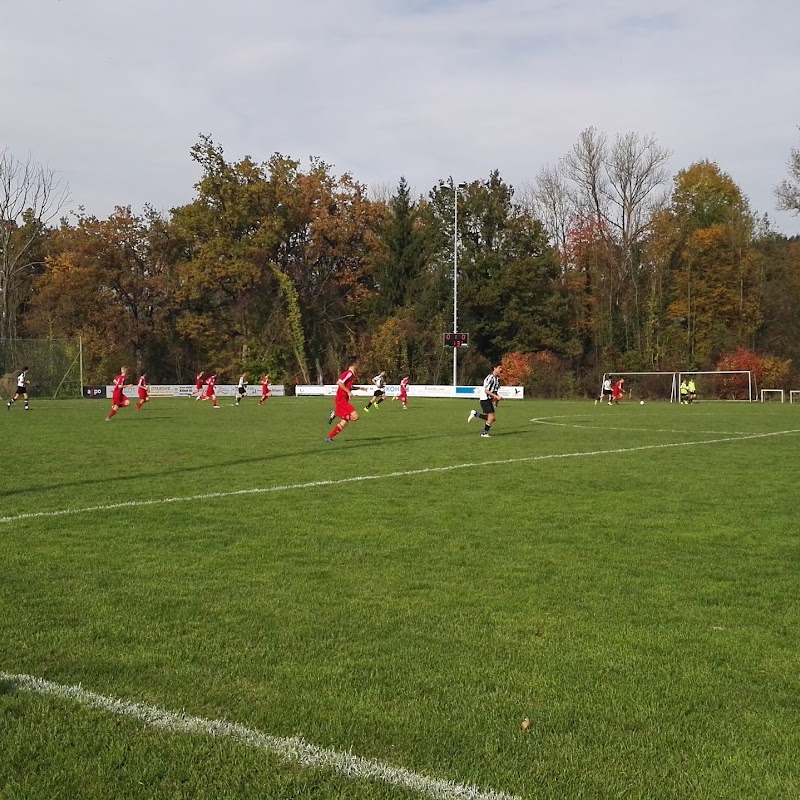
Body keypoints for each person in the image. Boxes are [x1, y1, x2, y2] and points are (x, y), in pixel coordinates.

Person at [325, 356, 360, 442]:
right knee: (355, 416)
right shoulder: (349, 373)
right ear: (354, 364)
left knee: (344, 422)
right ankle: (336, 413)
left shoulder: (351, 375)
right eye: (358, 364)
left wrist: (358, 388)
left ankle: (329, 437)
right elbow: (339, 382)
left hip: (343, 399)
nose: (358, 366)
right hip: (341, 399)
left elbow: (347, 385)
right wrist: (348, 392)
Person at [467, 363, 503, 438]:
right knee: (491, 418)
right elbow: (486, 391)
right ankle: (484, 433)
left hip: (489, 400)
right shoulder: (490, 378)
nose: (501, 369)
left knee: (493, 418)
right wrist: (496, 396)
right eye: (499, 368)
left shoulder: (497, 379)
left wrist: (496, 401)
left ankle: (475, 414)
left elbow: (495, 391)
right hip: (484, 399)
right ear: (494, 368)